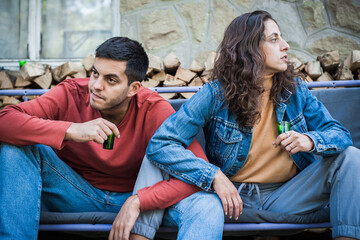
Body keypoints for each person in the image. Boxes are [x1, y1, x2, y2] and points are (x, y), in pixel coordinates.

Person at [147, 10, 360, 240]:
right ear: (249, 48)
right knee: (204, 206)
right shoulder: (216, 94)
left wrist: (310, 140)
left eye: (282, 37)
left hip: (287, 196)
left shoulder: (296, 91)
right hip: (232, 200)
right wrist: (214, 176)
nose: (286, 46)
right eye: (274, 39)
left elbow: (340, 134)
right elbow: (161, 144)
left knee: (350, 157)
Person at [0, 37, 212, 240]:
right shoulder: (71, 93)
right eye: (94, 73)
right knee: (15, 148)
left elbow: (199, 171)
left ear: (134, 88)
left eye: (111, 80)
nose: (96, 86)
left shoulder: (153, 109)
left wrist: (140, 201)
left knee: (205, 204)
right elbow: (4, 120)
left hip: (136, 203)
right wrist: (70, 129)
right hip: (75, 193)